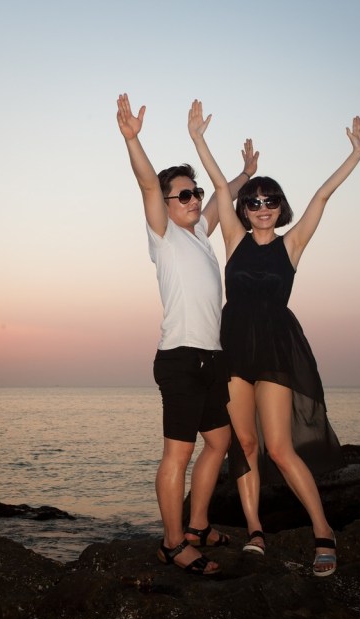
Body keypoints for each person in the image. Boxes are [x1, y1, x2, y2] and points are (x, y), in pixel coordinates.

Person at [186, 99, 360, 576]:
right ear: (244, 210)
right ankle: (256, 531)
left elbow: (322, 198)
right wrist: (199, 140)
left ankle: (323, 533)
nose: (262, 208)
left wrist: (355, 156)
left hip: (276, 350)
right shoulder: (232, 237)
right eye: (254, 201)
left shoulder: (292, 244)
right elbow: (221, 187)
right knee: (243, 445)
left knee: (280, 449)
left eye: (270, 201)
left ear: (280, 208)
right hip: (233, 350)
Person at [116, 93, 257, 575]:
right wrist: (134, 140)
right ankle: (173, 544)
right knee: (178, 452)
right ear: (168, 204)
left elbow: (223, 196)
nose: (193, 199)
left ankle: (197, 526)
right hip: (179, 358)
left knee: (219, 444)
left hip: (211, 358)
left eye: (194, 193)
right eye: (184, 195)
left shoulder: (198, 233)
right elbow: (146, 185)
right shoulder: (164, 235)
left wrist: (244, 172)